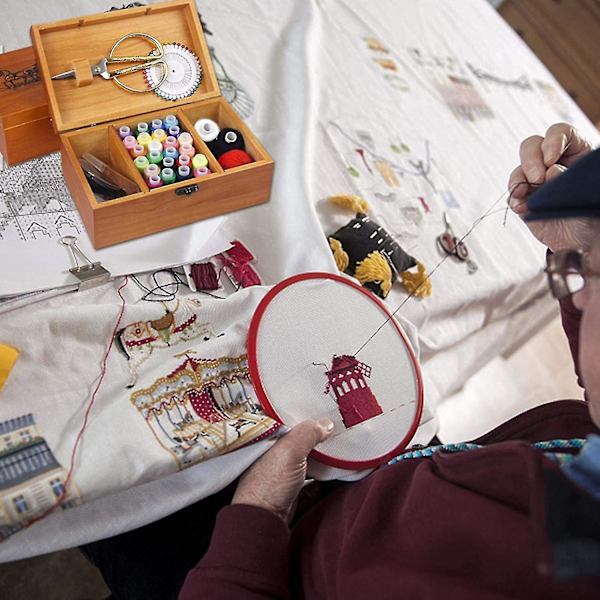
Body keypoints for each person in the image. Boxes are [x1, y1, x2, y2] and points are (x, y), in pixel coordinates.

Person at [83, 123, 600, 599]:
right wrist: (580, 242)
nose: (576, 295)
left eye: (592, 280)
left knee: (110, 476)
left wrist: (261, 513)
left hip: (249, 569)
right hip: (364, 495)